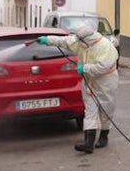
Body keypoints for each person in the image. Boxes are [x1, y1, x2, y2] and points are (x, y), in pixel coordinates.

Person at [38, 21, 119, 153]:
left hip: (105, 82)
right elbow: (65, 41)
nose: (77, 42)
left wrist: (85, 68)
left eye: (80, 40)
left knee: (106, 109)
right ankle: (88, 143)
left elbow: (104, 67)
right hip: (88, 81)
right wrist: (47, 40)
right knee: (90, 109)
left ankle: (104, 136)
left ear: (87, 38)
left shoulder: (105, 46)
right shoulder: (80, 43)